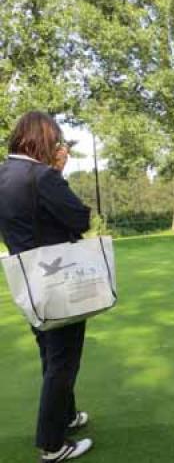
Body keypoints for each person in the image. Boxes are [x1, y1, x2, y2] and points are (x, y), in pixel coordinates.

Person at [0, 112, 93, 462]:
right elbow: (80, 219)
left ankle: (65, 416)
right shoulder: (42, 176)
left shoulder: (3, 173)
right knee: (63, 360)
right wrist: (57, 173)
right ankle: (52, 444)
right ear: (41, 141)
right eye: (55, 141)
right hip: (58, 278)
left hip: (26, 279)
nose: (58, 147)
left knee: (50, 352)